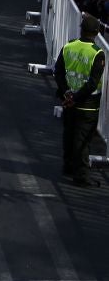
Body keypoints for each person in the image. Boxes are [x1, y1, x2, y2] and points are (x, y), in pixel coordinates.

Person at [54, 13, 105, 187]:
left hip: (68, 100)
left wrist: (67, 93)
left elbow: (58, 71)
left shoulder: (68, 46)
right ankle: (81, 175)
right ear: (97, 32)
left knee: (69, 134)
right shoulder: (97, 53)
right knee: (83, 140)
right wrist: (75, 97)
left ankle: (67, 165)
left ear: (81, 29)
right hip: (87, 105)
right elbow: (92, 83)